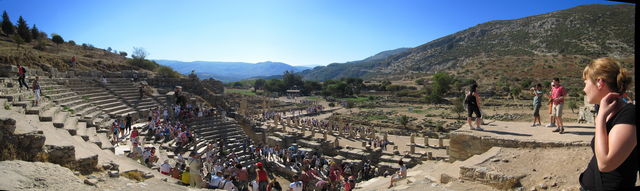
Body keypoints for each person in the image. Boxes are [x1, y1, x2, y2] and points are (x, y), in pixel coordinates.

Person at [578, 57, 637, 190]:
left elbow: (606, 164)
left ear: (599, 82)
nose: (584, 89)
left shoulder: (629, 114)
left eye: (585, 82)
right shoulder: (607, 111)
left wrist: (599, 119)